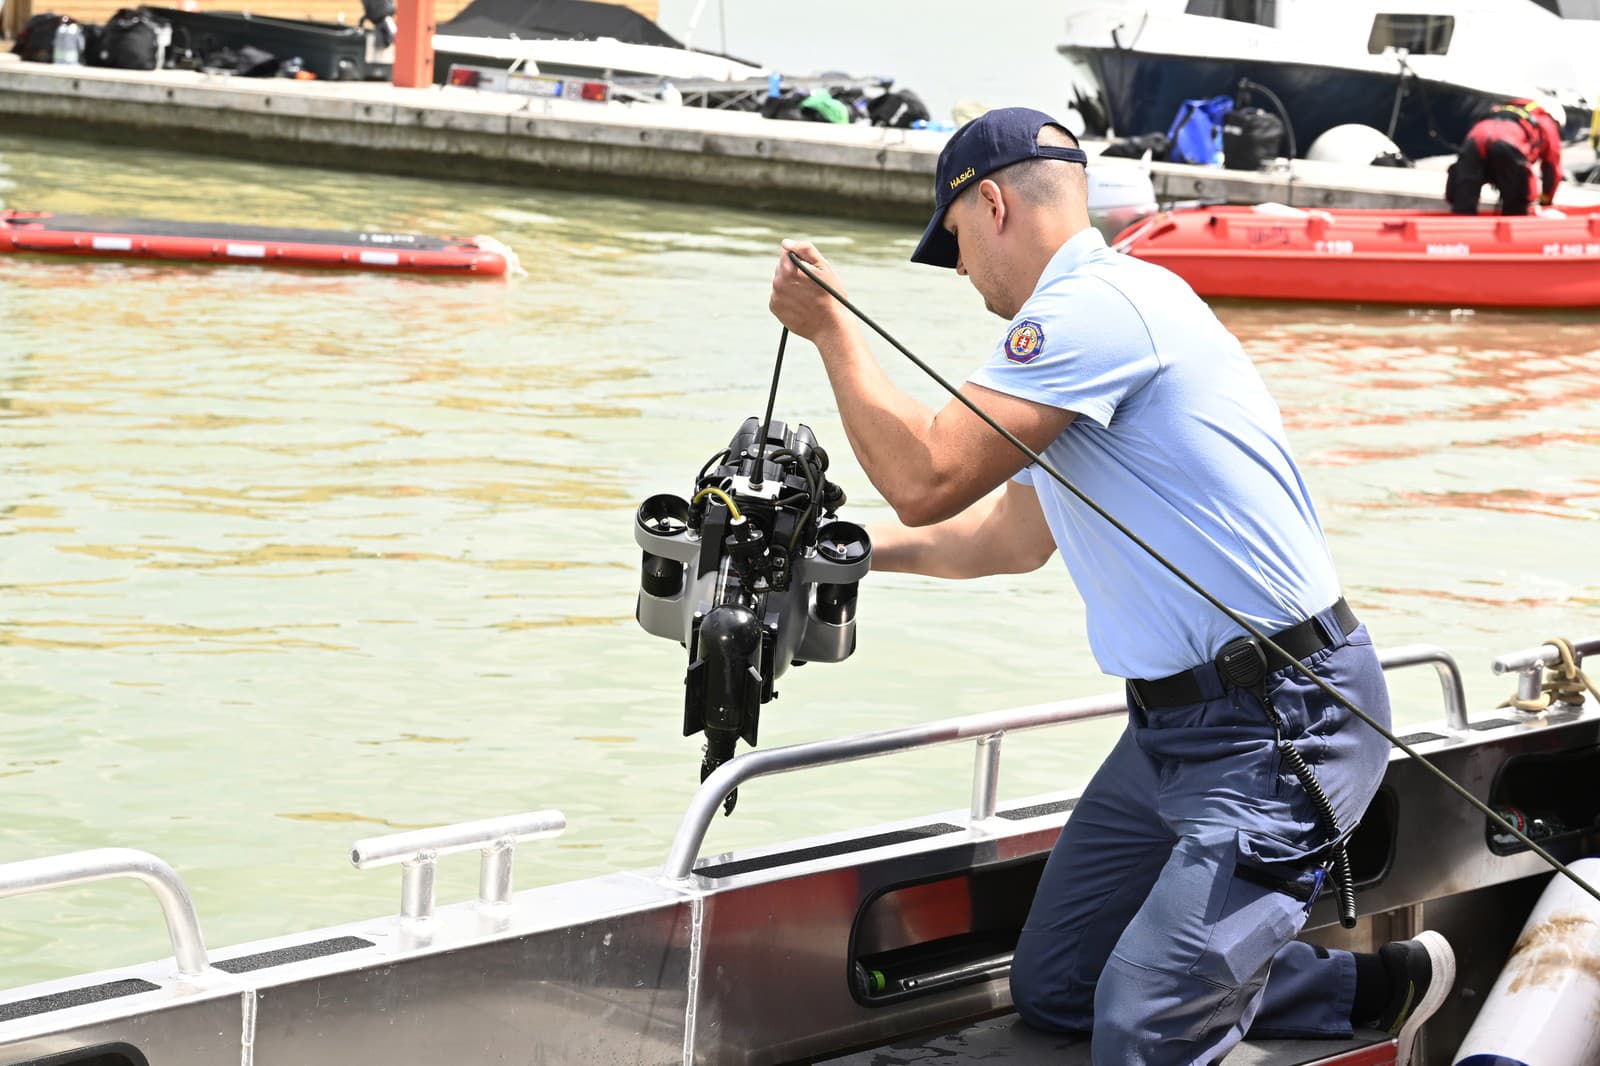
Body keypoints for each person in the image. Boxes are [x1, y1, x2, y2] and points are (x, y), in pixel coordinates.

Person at [767, 107, 1455, 1065]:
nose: (963, 274)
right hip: (1175, 731)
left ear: (993, 204)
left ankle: (1214, 1002)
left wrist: (834, 330)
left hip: (1280, 721)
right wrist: (836, 549)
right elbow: (1005, 538)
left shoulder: (1094, 311)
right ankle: (1372, 985)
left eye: (956, 243)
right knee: (1060, 990)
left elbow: (927, 477)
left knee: (1141, 1029)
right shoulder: (1100, 336)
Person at [1445, 98, 1565, 215]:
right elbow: (1552, 168)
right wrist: (1546, 200)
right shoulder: (1546, 121)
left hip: (1474, 140)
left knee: (1463, 201)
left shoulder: (1502, 108)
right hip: (1507, 144)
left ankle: (1461, 230)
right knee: (1517, 204)